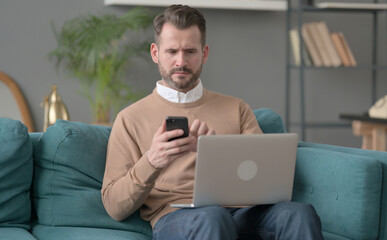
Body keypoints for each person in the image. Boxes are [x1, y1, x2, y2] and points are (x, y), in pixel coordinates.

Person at [101, 4, 323, 240]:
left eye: (190, 51)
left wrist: (221, 154)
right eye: (172, 51)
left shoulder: (237, 108)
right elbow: (114, 206)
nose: (181, 61)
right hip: (176, 217)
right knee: (212, 217)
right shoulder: (130, 119)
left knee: (299, 213)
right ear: (155, 53)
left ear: (204, 53)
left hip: (242, 213)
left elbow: (265, 181)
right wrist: (152, 161)